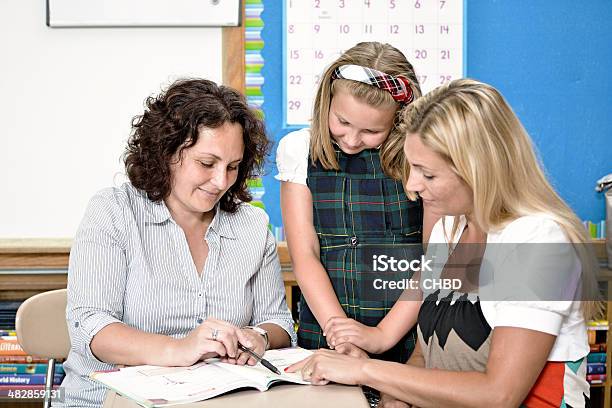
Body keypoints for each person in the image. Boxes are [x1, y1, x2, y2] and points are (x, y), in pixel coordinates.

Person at [287, 79, 600, 408]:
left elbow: (498, 395)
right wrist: (394, 398)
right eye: (412, 168)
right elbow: (427, 354)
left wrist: (365, 370)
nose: (411, 185)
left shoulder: (535, 240)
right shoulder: (449, 231)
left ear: (478, 170)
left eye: (427, 173)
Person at [59, 79, 296, 407]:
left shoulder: (252, 226)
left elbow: (280, 323)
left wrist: (259, 336)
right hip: (108, 401)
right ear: (166, 151)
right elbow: (91, 327)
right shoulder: (113, 212)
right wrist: (181, 349)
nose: (221, 182)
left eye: (233, 167)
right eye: (206, 163)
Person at [276, 42, 436, 364]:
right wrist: (339, 333)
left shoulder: (418, 159)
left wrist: (383, 336)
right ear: (327, 102)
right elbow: (305, 255)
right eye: (343, 122)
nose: (351, 140)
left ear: (401, 119)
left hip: (406, 335)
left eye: (371, 130)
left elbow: (435, 259)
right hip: (326, 334)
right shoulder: (299, 151)